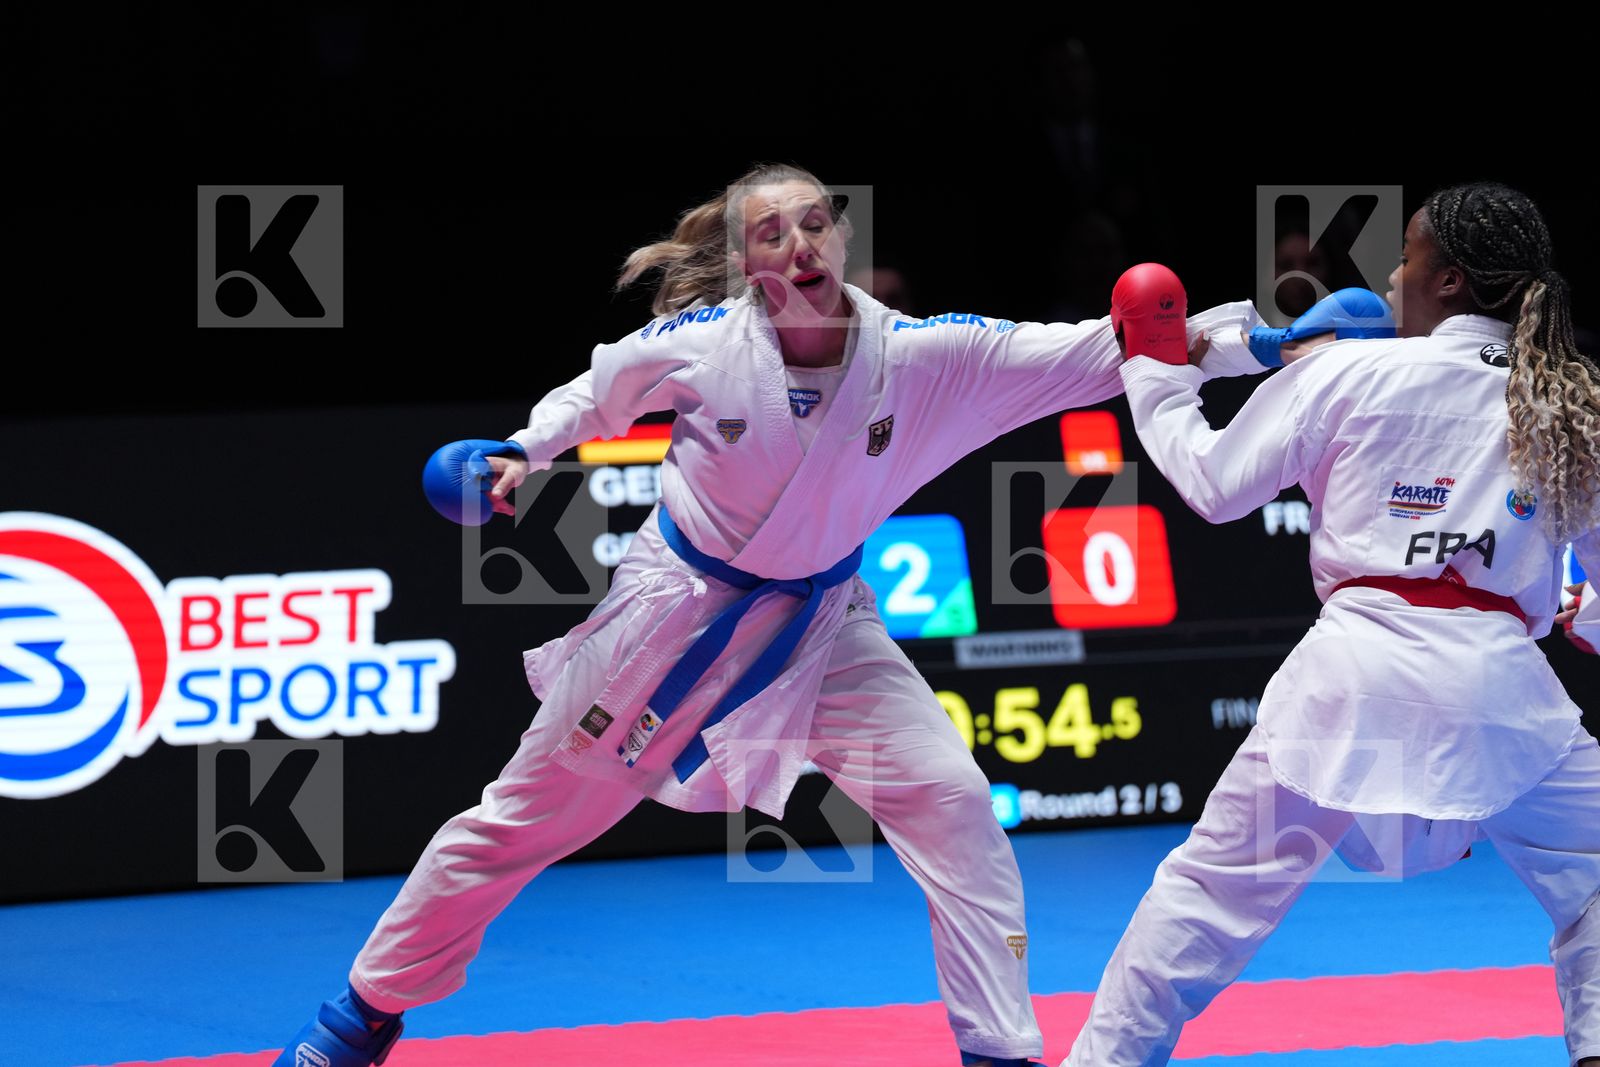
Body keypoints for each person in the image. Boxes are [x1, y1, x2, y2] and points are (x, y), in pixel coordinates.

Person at [272, 162, 1268, 1067]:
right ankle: (355, 1019)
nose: (799, 244)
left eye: (814, 223)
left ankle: (999, 1051)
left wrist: (1267, 339)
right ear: (748, 265)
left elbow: (1107, 347)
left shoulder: (920, 357)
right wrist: (516, 455)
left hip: (827, 623)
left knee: (955, 804)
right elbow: (591, 394)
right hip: (671, 621)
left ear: (838, 239)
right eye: (771, 233)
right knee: (515, 823)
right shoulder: (704, 347)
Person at [1064, 182, 1600, 1067]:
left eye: (1409, 256)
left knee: (1205, 897)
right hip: (1501, 692)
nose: (1392, 274)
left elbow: (1210, 481)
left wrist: (1155, 371)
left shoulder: (1348, 370)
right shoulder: (1572, 405)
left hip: (1349, 681)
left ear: (1452, 281)